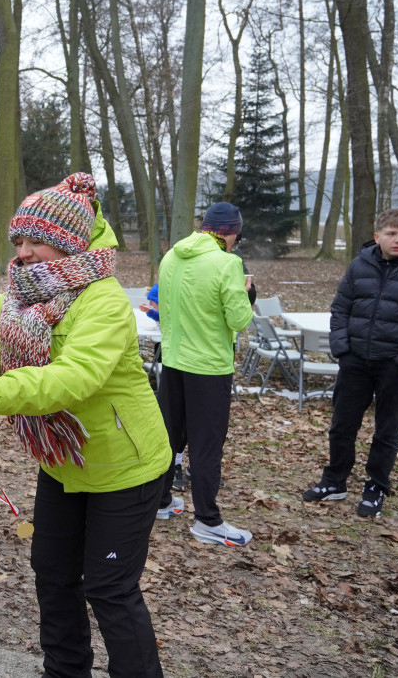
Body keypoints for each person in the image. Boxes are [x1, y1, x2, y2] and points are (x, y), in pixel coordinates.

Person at [0, 174, 170, 678]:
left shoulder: (103, 300)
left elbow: (74, 379)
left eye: (36, 240)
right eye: (18, 240)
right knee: (53, 574)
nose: (24, 252)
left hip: (125, 467)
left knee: (109, 587)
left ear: (70, 241)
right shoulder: (16, 299)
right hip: (63, 462)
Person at [302, 209, 398, 517]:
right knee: (342, 425)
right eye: (391, 233)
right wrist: (343, 350)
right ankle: (335, 480)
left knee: (387, 430)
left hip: (396, 365)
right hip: (355, 361)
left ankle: (376, 486)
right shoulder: (360, 265)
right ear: (377, 236)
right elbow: (341, 308)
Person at [156, 201, 254, 547]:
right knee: (206, 445)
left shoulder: (171, 256)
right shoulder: (227, 263)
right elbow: (239, 319)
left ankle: (161, 501)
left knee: (169, 436)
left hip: (173, 361)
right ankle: (208, 521)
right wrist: (247, 293)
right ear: (232, 233)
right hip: (209, 366)